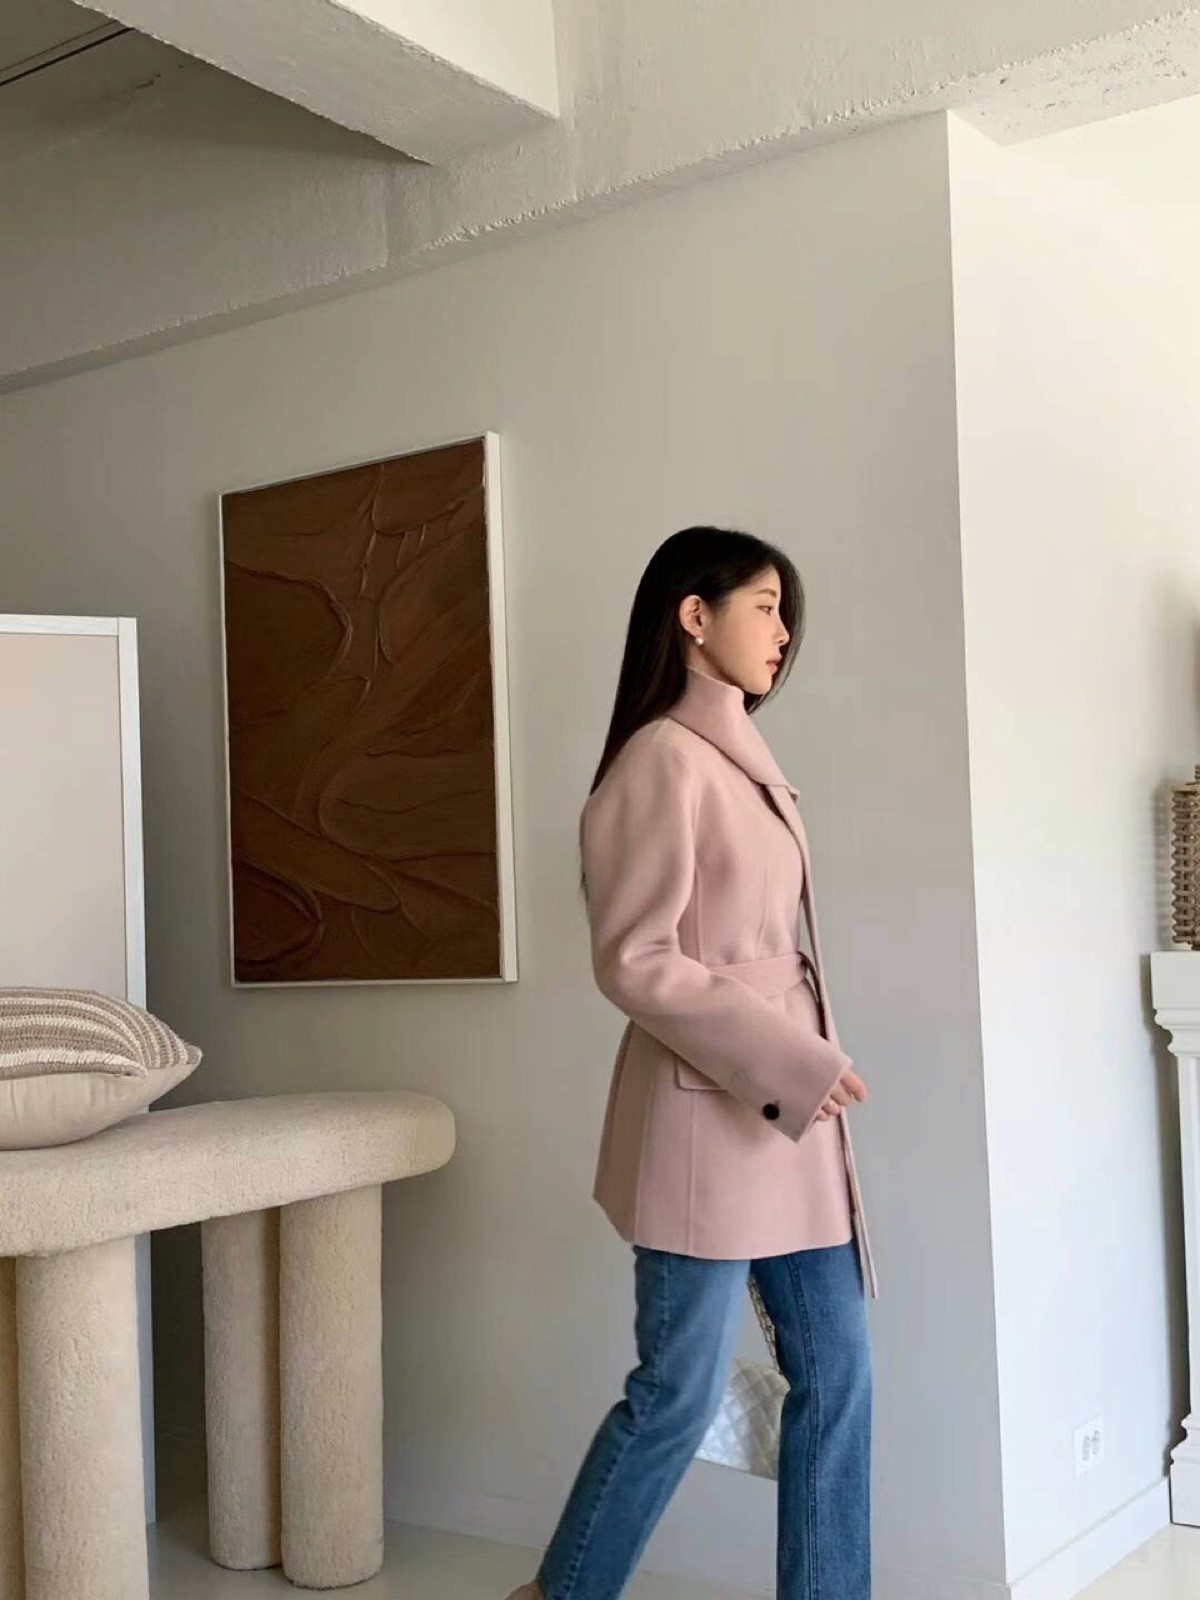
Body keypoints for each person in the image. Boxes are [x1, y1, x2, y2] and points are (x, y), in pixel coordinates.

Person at [507, 526, 878, 1600]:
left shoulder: (736, 754)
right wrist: (790, 1059)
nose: (784, 631)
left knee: (840, 1375)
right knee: (676, 1392)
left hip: (790, 1119)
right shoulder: (660, 759)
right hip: (709, 1122)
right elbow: (636, 960)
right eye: (765, 606)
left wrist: (802, 1067)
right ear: (694, 615)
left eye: (785, 612)